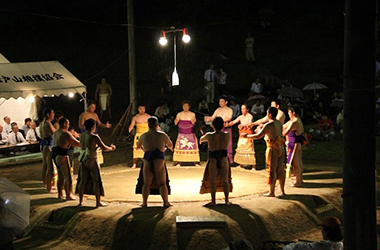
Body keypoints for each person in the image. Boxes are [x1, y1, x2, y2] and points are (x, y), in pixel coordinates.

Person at [135, 116, 173, 208]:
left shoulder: (144, 136)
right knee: (162, 183)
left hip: (147, 159)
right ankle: (166, 202)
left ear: (148, 125)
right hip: (159, 159)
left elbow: (138, 146)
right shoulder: (162, 135)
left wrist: (144, 148)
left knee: (146, 183)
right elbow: (170, 145)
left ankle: (144, 203)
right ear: (157, 125)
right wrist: (164, 148)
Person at [247, 107, 285, 197]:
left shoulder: (269, 125)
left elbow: (258, 136)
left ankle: (272, 192)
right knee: (280, 169)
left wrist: (247, 136)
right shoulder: (279, 123)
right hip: (280, 147)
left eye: (267, 113)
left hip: (272, 148)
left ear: (270, 114)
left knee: (272, 170)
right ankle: (282, 191)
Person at [77, 119, 116, 207]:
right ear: (93, 127)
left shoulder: (82, 136)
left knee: (82, 181)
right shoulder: (94, 137)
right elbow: (104, 147)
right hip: (91, 159)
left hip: (83, 158)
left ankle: (80, 201)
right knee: (96, 181)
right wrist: (112, 148)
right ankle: (98, 202)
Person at [199, 117, 232, 206]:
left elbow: (201, 140)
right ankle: (226, 200)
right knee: (225, 180)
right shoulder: (226, 135)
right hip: (223, 158)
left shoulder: (209, 135)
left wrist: (203, 138)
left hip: (213, 158)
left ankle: (213, 201)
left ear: (213, 125)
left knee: (212, 180)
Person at [52, 117, 80, 200]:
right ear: (64, 124)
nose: (69, 125)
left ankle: (60, 194)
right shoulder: (66, 133)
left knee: (60, 177)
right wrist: (87, 142)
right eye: (68, 124)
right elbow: (76, 143)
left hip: (56, 155)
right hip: (63, 156)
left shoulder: (56, 132)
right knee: (68, 177)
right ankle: (68, 195)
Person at [205, 96, 234, 164]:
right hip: (217, 128)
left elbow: (229, 118)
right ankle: (216, 158)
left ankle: (229, 160)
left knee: (227, 143)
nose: (220, 103)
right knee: (217, 143)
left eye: (222, 101)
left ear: (226, 102)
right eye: (219, 101)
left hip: (225, 127)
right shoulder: (218, 110)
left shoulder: (229, 110)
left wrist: (220, 121)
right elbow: (213, 117)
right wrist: (209, 119)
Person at [173, 100, 200, 167]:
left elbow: (194, 123)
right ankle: (179, 162)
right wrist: (176, 120)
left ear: (189, 107)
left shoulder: (192, 114)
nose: (185, 107)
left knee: (193, 146)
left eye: (187, 106)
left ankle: (195, 161)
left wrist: (193, 120)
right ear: (182, 107)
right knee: (180, 147)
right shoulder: (179, 114)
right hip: (181, 133)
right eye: (184, 106)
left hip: (190, 133)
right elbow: (175, 123)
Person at [283, 106, 305, 187]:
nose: (288, 114)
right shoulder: (296, 120)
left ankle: (298, 181)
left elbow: (285, 132)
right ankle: (300, 179)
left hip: (295, 144)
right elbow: (284, 126)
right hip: (297, 143)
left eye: (289, 112)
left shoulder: (294, 122)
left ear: (293, 113)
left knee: (296, 163)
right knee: (299, 162)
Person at [228, 104, 256, 169]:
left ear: (247, 109)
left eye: (243, 109)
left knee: (249, 149)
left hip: (248, 134)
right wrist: (228, 124)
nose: (242, 110)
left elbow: (249, 123)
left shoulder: (250, 116)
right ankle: (241, 164)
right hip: (241, 135)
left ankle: (253, 166)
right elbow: (234, 122)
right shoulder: (240, 117)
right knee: (240, 148)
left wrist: (242, 125)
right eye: (241, 109)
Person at [39, 108, 57, 193]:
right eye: (52, 113)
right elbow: (55, 132)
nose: (53, 115)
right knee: (49, 166)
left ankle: (46, 184)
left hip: (44, 144)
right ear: (48, 114)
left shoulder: (42, 123)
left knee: (45, 165)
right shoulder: (47, 123)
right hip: (48, 145)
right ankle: (48, 187)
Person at [128, 104, 150, 168]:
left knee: (148, 149)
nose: (142, 110)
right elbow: (131, 125)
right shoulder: (135, 117)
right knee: (136, 149)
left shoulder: (148, 116)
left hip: (147, 135)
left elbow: (153, 125)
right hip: (139, 135)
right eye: (141, 109)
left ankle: (148, 163)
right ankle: (134, 164)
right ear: (138, 109)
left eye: (143, 109)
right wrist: (130, 129)